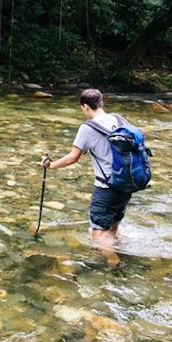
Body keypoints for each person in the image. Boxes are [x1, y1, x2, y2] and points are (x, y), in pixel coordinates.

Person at [41, 88, 131, 269]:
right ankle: (119, 252)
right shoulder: (119, 119)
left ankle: (114, 261)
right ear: (101, 102)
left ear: (85, 106)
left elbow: (73, 157)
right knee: (113, 226)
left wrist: (51, 165)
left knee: (97, 235)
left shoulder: (88, 128)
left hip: (106, 188)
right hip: (127, 183)